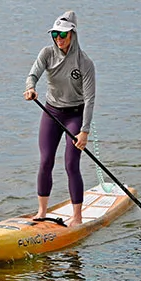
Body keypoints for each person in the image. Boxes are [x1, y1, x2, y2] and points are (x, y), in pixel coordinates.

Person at [23, 11, 96, 227]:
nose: (58, 39)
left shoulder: (84, 63)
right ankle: (42, 211)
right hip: (51, 112)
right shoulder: (47, 54)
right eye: (55, 34)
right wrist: (30, 88)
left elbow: (90, 99)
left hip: (75, 114)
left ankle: (77, 217)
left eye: (62, 34)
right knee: (45, 161)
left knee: (71, 164)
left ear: (72, 34)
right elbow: (32, 75)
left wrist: (84, 131)